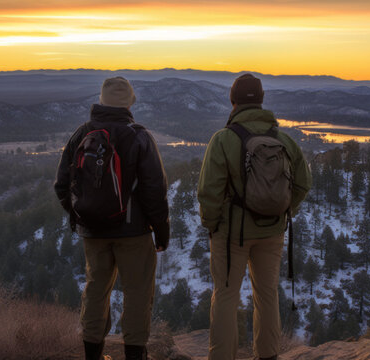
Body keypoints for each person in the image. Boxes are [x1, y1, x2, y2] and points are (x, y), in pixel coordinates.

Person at [54, 76, 170, 360]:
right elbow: (155, 189)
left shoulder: (81, 134)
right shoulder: (139, 136)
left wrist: (81, 215)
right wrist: (161, 229)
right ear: (130, 103)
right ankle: (135, 354)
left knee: (95, 290)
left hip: (93, 232)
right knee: (137, 293)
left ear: (101, 101)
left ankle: (92, 352)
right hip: (134, 233)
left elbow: (62, 185)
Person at [197, 73, 311, 360]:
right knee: (267, 296)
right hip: (272, 232)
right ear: (261, 101)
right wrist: (284, 210)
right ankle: (268, 355)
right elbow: (303, 183)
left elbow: (208, 190)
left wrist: (212, 224)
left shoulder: (223, 139)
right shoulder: (283, 139)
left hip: (230, 235)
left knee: (225, 297)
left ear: (233, 101)